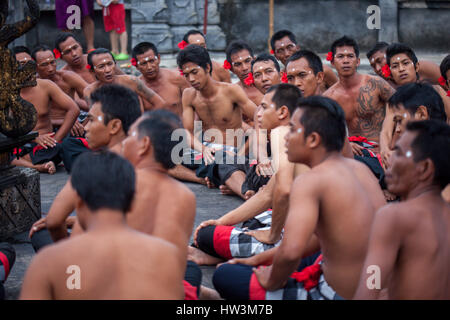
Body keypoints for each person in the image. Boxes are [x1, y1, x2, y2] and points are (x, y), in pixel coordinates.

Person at [213, 96, 385, 300]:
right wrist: (257, 260)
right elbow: (318, 241)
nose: (286, 137)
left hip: (332, 294)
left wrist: (272, 280)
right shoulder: (361, 170)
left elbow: (292, 252)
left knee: (224, 275)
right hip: (372, 286)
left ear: (313, 140)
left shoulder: (311, 181)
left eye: (293, 130)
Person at [20, 151, 184, 299]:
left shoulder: (46, 263)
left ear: (78, 202)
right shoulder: (165, 256)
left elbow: (55, 222)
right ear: (132, 203)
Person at [189, 84, 310, 266]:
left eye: (264, 107)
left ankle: (228, 256)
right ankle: (229, 254)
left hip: (304, 242)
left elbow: (284, 190)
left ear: (283, 112)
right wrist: (221, 221)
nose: (258, 113)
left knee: (206, 237)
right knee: (250, 221)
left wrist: (272, 235)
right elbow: (267, 195)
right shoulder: (298, 132)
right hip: (303, 230)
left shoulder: (281, 132)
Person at [29, 84, 142, 250]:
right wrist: (72, 221)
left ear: (114, 126)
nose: (86, 127)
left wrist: (69, 254)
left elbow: (54, 221)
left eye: (92, 120)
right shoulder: (145, 161)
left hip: (95, 257)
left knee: (40, 232)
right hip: (138, 253)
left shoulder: (91, 165)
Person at [354, 120, 450, 299]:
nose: (388, 159)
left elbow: (371, 284)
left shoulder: (394, 217)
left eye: (398, 153)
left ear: (425, 168)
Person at [173, 44, 257, 199]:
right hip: (207, 151)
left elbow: (261, 121)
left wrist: (240, 153)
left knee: (225, 163)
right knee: (163, 157)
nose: (191, 79)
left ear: (207, 67)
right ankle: (203, 180)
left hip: (231, 152)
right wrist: (202, 148)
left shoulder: (231, 91)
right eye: (186, 75)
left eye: (194, 72)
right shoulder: (188, 95)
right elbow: (187, 132)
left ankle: (247, 193)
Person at [323, 36, 395, 159]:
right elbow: (325, 131)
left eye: (350, 56)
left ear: (358, 61)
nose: (346, 61)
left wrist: (391, 143)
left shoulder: (375, 83)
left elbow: (403, 106)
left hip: (383, 149)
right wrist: (345, 143)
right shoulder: (329, 97)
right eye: (340, 56)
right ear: (333, 63)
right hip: (354, 153)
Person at [12, 49, 80, 174]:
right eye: (22, 64)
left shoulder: (45, 85)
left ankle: (30, 163)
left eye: (29, 63)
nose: (27, 67)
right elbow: (6, 128)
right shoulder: (7, 93)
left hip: (47, 147)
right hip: (21, 144)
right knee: (6, 154)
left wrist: (57, 139)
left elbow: (73, 108)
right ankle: (39, 167)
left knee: (64, 146)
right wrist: (33, 138)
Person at [31, 45, 89, 137]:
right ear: (35, 66)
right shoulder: (32, 85)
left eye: (52, 62)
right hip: (45, 131)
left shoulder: (67, 77)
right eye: (44, 65)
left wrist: (85, 125)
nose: (50, 69)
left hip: (74, 127)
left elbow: (96, 98)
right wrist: (63, 121)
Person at [83, 48, 167, 111]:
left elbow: (159, 103)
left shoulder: (131, 81)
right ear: (92, 71)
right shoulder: (90, 91)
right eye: (101, 67)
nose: (107, 70)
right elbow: (96, 117)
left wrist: (143, 125)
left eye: (110, 64)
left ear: (115, 64)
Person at [385, 43, 450, 121]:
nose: (401, 69)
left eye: (405, 63)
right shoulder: (393, 103)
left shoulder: (436, 90)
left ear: (416, 67)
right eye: (395, 66)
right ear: (391, 74)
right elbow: (388, 131)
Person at [132, 42, 189, 116]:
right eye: (143, 63)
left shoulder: (177, 78)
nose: (149, 67)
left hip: (180, 126)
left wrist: (197, 127)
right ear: (137, 66)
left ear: (158, 59)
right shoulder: (136, 87)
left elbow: (195, 106)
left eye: (152, 61)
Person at [270, 30, 337, 89]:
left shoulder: (322, 70)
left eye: (289, 47)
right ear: (276, 56)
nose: (286, 54)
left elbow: (338, 93)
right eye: (280, 51)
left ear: (298, 48)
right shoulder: (279, 79)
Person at [55, 32, 124, 85]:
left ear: (80, 46)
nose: (74, 54)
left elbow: (125, 80)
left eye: (75, 48)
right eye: (67, 52)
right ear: (61, 57)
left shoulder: (97, 59)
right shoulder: (64, 76)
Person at [366, 41, 443, 88]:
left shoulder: (423, 68)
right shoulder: (383, 85)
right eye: (373, 66)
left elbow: (446, 84)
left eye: (379, 61)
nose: (377, 69)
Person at [225, 40, 263, 106]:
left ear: (254, 61)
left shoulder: (268, 85)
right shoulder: (233, 94)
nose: (244, 68)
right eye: (238, 64)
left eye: (247, 61)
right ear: (231, 69)